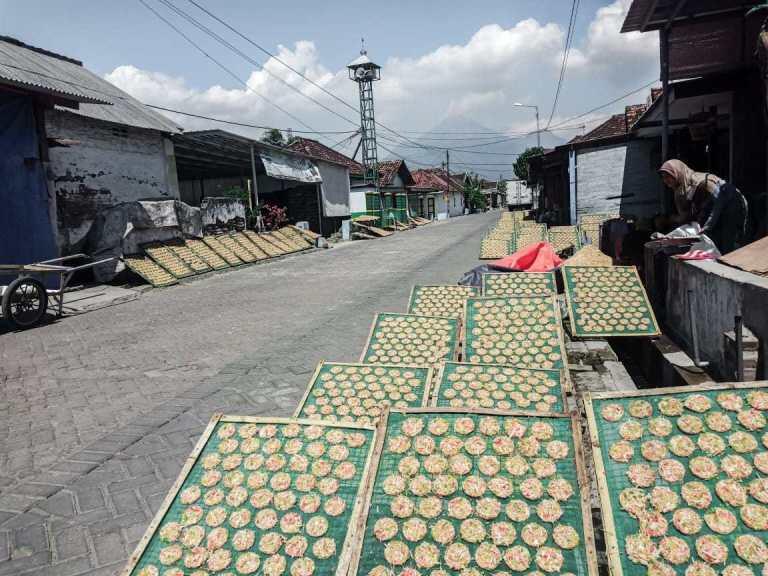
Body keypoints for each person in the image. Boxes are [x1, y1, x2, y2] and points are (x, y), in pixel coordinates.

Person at [658, 159, 748, 254]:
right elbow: (686, 215)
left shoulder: (702, 183)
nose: (665, 180)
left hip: (731, 206)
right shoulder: (681, 189)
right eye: (663, 177)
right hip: (715, 213)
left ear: (677, 173)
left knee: (728, 245)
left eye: (668, 176)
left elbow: (719, 202)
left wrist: (708, 226)